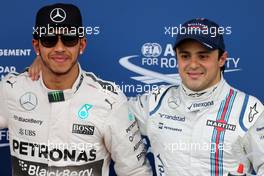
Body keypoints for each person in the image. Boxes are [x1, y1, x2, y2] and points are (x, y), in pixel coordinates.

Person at [28, 18, 264, 175]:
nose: (193, 65)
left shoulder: (249, 110)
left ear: (222, 59)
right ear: (176, 58)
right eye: (185, 56)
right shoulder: (154, 102)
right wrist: (52, 63)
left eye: (203, 56)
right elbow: (102, 108)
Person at [0, 3, 152, 176]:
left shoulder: (110, 100)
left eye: (69, 39)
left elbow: (135, 171)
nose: (59, 48)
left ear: (82, 45)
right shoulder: (11, 89)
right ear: (37, 46)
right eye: (49, 40)